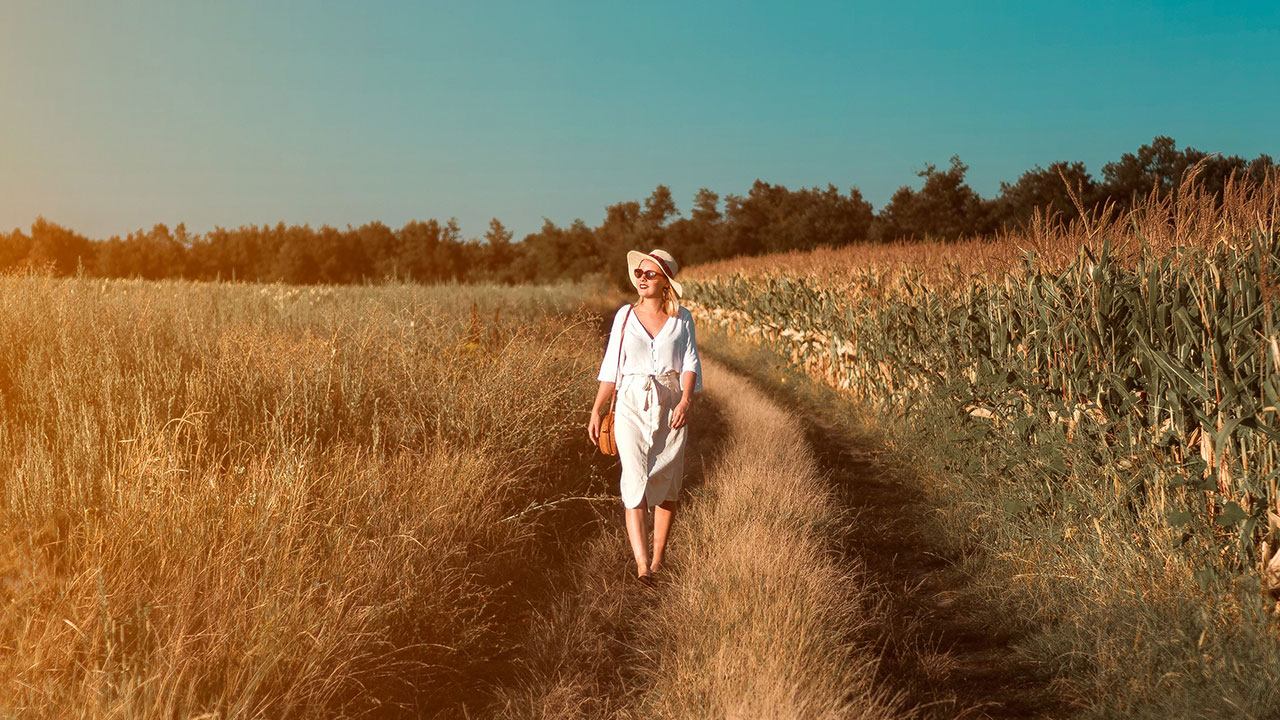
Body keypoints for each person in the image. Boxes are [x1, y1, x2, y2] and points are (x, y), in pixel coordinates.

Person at [588, 249, 702, 584]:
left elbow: (691, 363)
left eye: (649, 274)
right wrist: (596, 408)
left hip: (670, 403)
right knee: (634, 478)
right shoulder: (624, 316)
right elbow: (611, 367)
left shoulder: (682, 319)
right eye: (639, 273)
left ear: (665, 281)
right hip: (630, 404)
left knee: (667, 481)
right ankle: (641, 567)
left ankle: (658, 561)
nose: (641, 278)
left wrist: (685, 401)